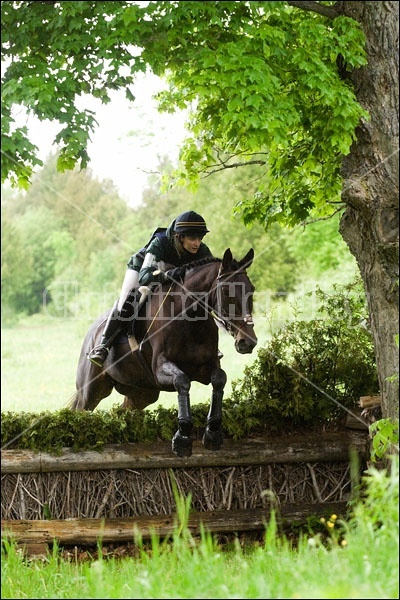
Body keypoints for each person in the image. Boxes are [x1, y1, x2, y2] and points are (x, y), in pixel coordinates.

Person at [87, 210, 213, 366]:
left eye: (200, 238)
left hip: (169, 274)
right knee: (127, 300)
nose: (197, 243)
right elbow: (145, 277)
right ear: (179, 237)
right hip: (141, 268)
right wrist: (167, 275)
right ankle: (103, 346)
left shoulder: (202, 250)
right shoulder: (159, 243)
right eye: (192, 238)